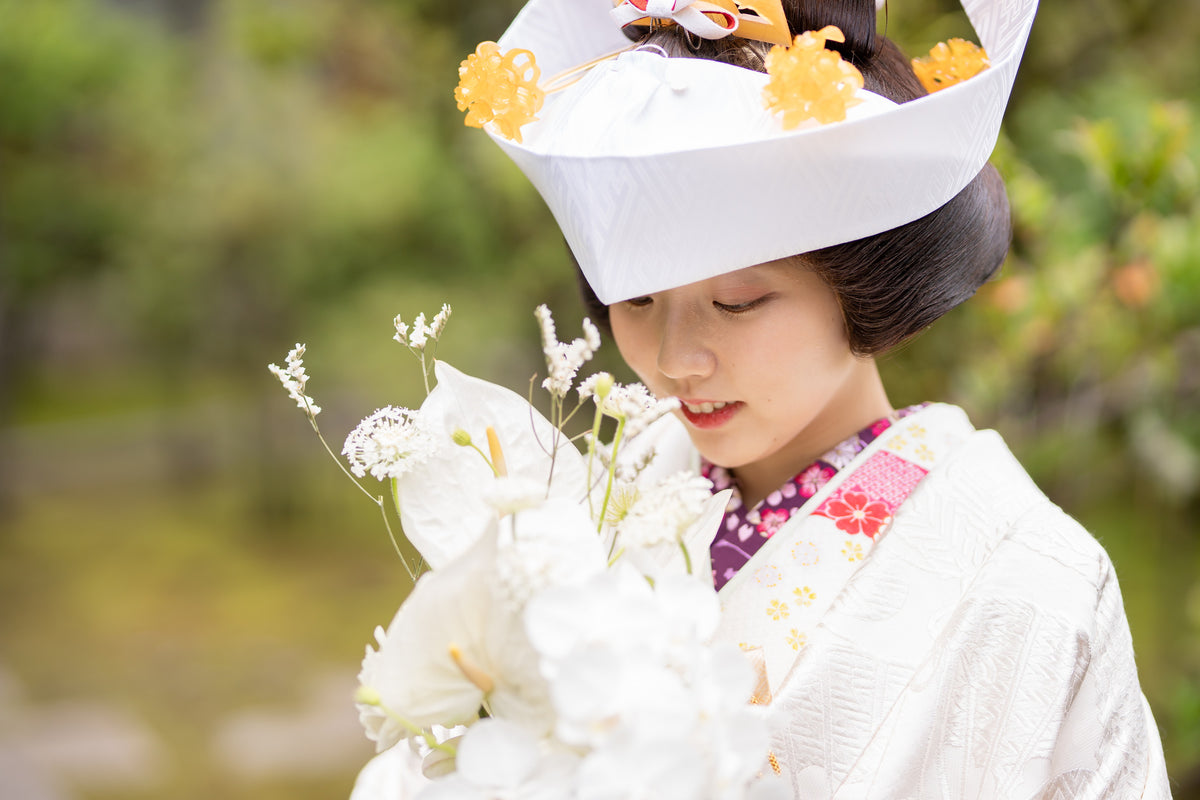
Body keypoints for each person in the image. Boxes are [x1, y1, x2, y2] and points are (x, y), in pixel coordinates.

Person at [358, 0, 1172, 796]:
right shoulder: (577, 513)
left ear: (866, 283)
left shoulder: (1030, 581)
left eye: (738, 303)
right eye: (635, 300)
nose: (675, 359)